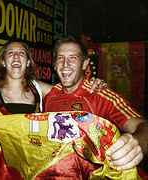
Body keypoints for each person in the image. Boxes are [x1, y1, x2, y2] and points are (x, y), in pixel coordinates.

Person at [43, 36, 148, 173]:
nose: (65, 64)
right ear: (55, 65)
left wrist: (136, 143)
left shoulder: (100, 95)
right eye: (60, 58)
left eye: (73, 58)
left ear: (85, 64)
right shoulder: (50, 96)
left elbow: (143, 126)